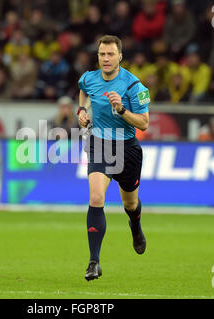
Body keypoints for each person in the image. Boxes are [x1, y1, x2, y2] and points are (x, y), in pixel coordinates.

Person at [77, 35, 149, 281]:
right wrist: (82, 111)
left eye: (110, 54)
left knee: (130, 204)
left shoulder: (133, 86)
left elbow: (144, 123)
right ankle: (93, 262)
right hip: (100, 144)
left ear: (120, 56)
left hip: (127, 148)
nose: (106, 59)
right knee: (96, 197)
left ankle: (136, 227)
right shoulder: (89, 78)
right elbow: (84, 92)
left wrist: (121, 109)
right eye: (102, 54)